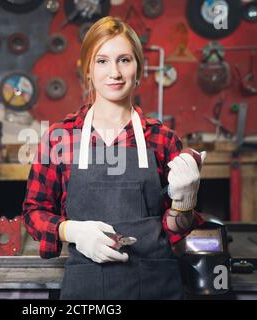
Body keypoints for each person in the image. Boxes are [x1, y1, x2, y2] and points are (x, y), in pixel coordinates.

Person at [22, 16, 206, 299]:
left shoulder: (162, 139)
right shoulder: (60, 138)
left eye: (124, 60)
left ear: (139, 68)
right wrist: (72, 231)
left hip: (156, 285)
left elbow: (176, 233)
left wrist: (184, 204)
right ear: (87, 69)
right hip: (87, 286)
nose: (115, 73)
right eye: (102, 61)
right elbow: (34, 213)